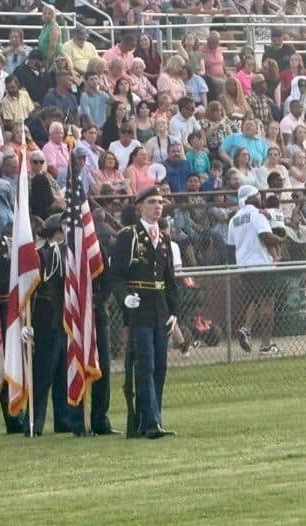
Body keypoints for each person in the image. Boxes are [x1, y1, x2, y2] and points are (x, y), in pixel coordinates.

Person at [111, 186, 179, 439]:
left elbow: (169, 279)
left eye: (160, 202)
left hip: (160, 308)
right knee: (145, 364)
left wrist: (174, 311)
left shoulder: (164, 239)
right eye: (152, 202)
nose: (157, 206)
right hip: (139, 307)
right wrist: (124, 297)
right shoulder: (129, 236)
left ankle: (154, 418)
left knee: (160, 365)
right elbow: (116, 274)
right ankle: (148, 421)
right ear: (140, 206)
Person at [30, 213, 83, 437]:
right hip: (45, 315)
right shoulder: (40, 255)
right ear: (55, 233)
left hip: (67, 313)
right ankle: (35, 421)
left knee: (63, 369)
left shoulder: (71, 253)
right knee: (44, 370)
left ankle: (64, 419)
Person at [230, 184, 285, 356]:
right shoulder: (257, 215)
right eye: (257, 195)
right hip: (261, 265)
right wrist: (283, 238)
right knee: (267, 303)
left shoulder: (234, 219)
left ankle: (246, 329)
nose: (260, 198)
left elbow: (231, 245)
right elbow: (265, 236)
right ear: (250, 198)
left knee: (257, 300)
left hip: (244, 267)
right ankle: (266, 345)